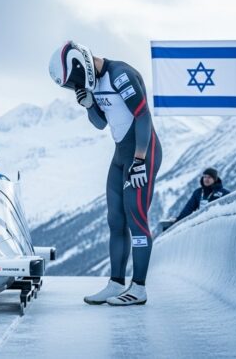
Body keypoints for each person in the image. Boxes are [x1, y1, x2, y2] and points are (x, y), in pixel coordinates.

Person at [49, 40, 162, 306]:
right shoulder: (93, 83)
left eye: (74, 80)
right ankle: (116, 283)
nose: (76, 86)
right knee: (115, 220)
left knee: (137, 219)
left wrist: (139, 160)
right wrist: (89, 105)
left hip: (141, 154)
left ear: (81, 63)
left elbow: (143, 115)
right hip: (120, 156)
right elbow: (101, 124)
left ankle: (140, 288)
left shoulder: (120, 74)